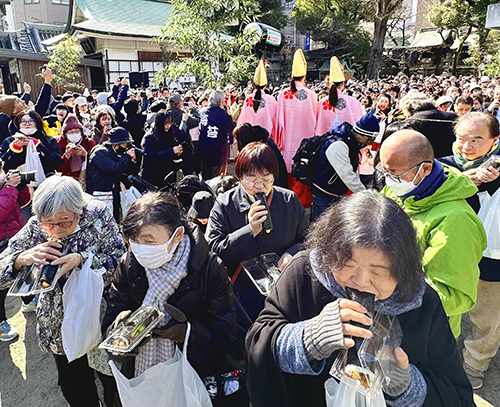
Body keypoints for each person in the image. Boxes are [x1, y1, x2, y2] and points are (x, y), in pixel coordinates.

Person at [246, 190, 475, 407]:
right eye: (347, 264)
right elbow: (258, 345)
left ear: (403, 268)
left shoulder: (422, 302)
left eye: (378, 271)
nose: (361, 281)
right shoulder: (306, 272)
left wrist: (404, 385)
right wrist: (311, 337)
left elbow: (456, 394)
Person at [0, 175, 126, 407]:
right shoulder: (37, 226)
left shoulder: (98, 215)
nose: (56, 229)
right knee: (74, 385)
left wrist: (82, 260)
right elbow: (2, 272)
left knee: (112, 382)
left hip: (100, 316)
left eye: (66, 221)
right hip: (59, 323)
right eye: (49, 222)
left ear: (79, 210)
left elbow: (120, 261)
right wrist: (20, 259)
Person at [102, 192, 238, 405]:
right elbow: (110, 321)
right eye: (134, 241)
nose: (140, 248)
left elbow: (226, 336)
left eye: (148, 241)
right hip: (140, 375)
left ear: (177, 236)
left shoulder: (209, 268)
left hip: (192, 375)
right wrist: (118, 335)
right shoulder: (129, 264)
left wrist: (187, 332)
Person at [378, 129, 486, 337]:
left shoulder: (455, 221)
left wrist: (390, 292)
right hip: (389, 318)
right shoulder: (402, 188)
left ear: (425, 169)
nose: (389, 180)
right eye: (386, 172)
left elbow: (455, 296)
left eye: (394, 174)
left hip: (425, 331)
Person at [206, 142, 309, 322]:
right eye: (251, 179)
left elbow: (307, 239)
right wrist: (249, 230)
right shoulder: (225, 204)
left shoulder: (288, 200)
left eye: (266, 178)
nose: (259, 186)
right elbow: (216, 248)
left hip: (282, 288)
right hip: (241, 293)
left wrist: (290, 254)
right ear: (239, 177)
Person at [439, 112, 500, 389]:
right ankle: (442, 355)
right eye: (462, 139)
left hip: (491, 255)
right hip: (449, 251)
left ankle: (475, 364)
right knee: (446, 307)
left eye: (477, 139)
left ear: (494, 141)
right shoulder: (443, 166)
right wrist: (466, 179)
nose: (467, 146)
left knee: (486, 315)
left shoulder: (497, 169)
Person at [311, 114, 379, 220]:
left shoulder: (351, 143)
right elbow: (347, 175)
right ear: (361, 134)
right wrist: (366, 194)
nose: (367, 144)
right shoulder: (338, 145)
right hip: (324, 193)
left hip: (334, 192)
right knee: (321, 227)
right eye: (369, 140)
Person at [0, 161, 31, 341]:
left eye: (2, 170)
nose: (2, 174)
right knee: (1, 286)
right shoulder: (6, 188)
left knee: (23, 272)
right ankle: (1, 324)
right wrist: (10, 188)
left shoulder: (5, 187)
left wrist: (21, 186)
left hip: (13, 237)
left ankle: (28, 301)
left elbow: (23, 202)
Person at [86, 127, 137, 221]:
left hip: (111, 194)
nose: (126, 148)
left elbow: (124, 170)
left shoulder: (112, 153)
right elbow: (114, 169)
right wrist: (126, 156)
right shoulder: (100, 152)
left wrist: (131, 160)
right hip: (101, 195)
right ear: (117, 144)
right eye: (126, 145)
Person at [0, 110, 62, 175]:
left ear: (37, 123)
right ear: (18, 124)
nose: (27, 124)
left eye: (31, 121)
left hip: (44, 180)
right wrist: (13, 150)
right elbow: (3, 166)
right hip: (17, 181)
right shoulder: (9, 141)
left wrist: (40, 146)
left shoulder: (48, 140)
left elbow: (57, 163)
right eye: (23, 121)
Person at [141, 109, 192, 187]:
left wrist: (177, 153)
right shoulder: (149, 137)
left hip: (167, 174)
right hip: (153, 175)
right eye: (166, 124)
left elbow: (182, 137)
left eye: (170, 123)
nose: (168, 126)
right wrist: (171, 151)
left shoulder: (170, 132)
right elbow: (150, 156)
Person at [315, 57, 364, 136]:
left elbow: (318, 123)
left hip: (325, 140)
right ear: (343, 84)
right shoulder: (353, 102)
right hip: (347, 139)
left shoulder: (323, 102)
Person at [400, 91, 457, 158]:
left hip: (424, 162)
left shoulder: (411, 122)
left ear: (406, 109)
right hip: (452, 160)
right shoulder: (453, 116)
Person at [233, 123, 288, 189]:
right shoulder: (266, 142)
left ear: (243, 139)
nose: (235, 143)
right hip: (278, 183)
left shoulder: (257, 153)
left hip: (274, 186)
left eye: (237, 140)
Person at [199, 90, 235, 179]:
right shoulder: (223, 115)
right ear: (221, 102)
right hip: (218, 152)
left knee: (205, 177)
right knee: (217, 180)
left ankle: (204, 191)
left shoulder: (202, 111)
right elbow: (232, 129)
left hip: (204, 150)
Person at [237, 60, 278, 137]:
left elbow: (242, 121)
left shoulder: (249, 99)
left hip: (250, 137)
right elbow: (276, 121)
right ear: (265, 85)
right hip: (267, 138)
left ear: (253, 85)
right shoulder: (271, 99)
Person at [57, 114, 95, 181]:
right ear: (65, 134)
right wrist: (66, 156)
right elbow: (58, 168)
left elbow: (96, 161)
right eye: (71, 132)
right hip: (67, 179)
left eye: (77, 131)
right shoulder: (59, 144)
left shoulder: (88, 142)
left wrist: (85, 154)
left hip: (87, 177)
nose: (74, 134)